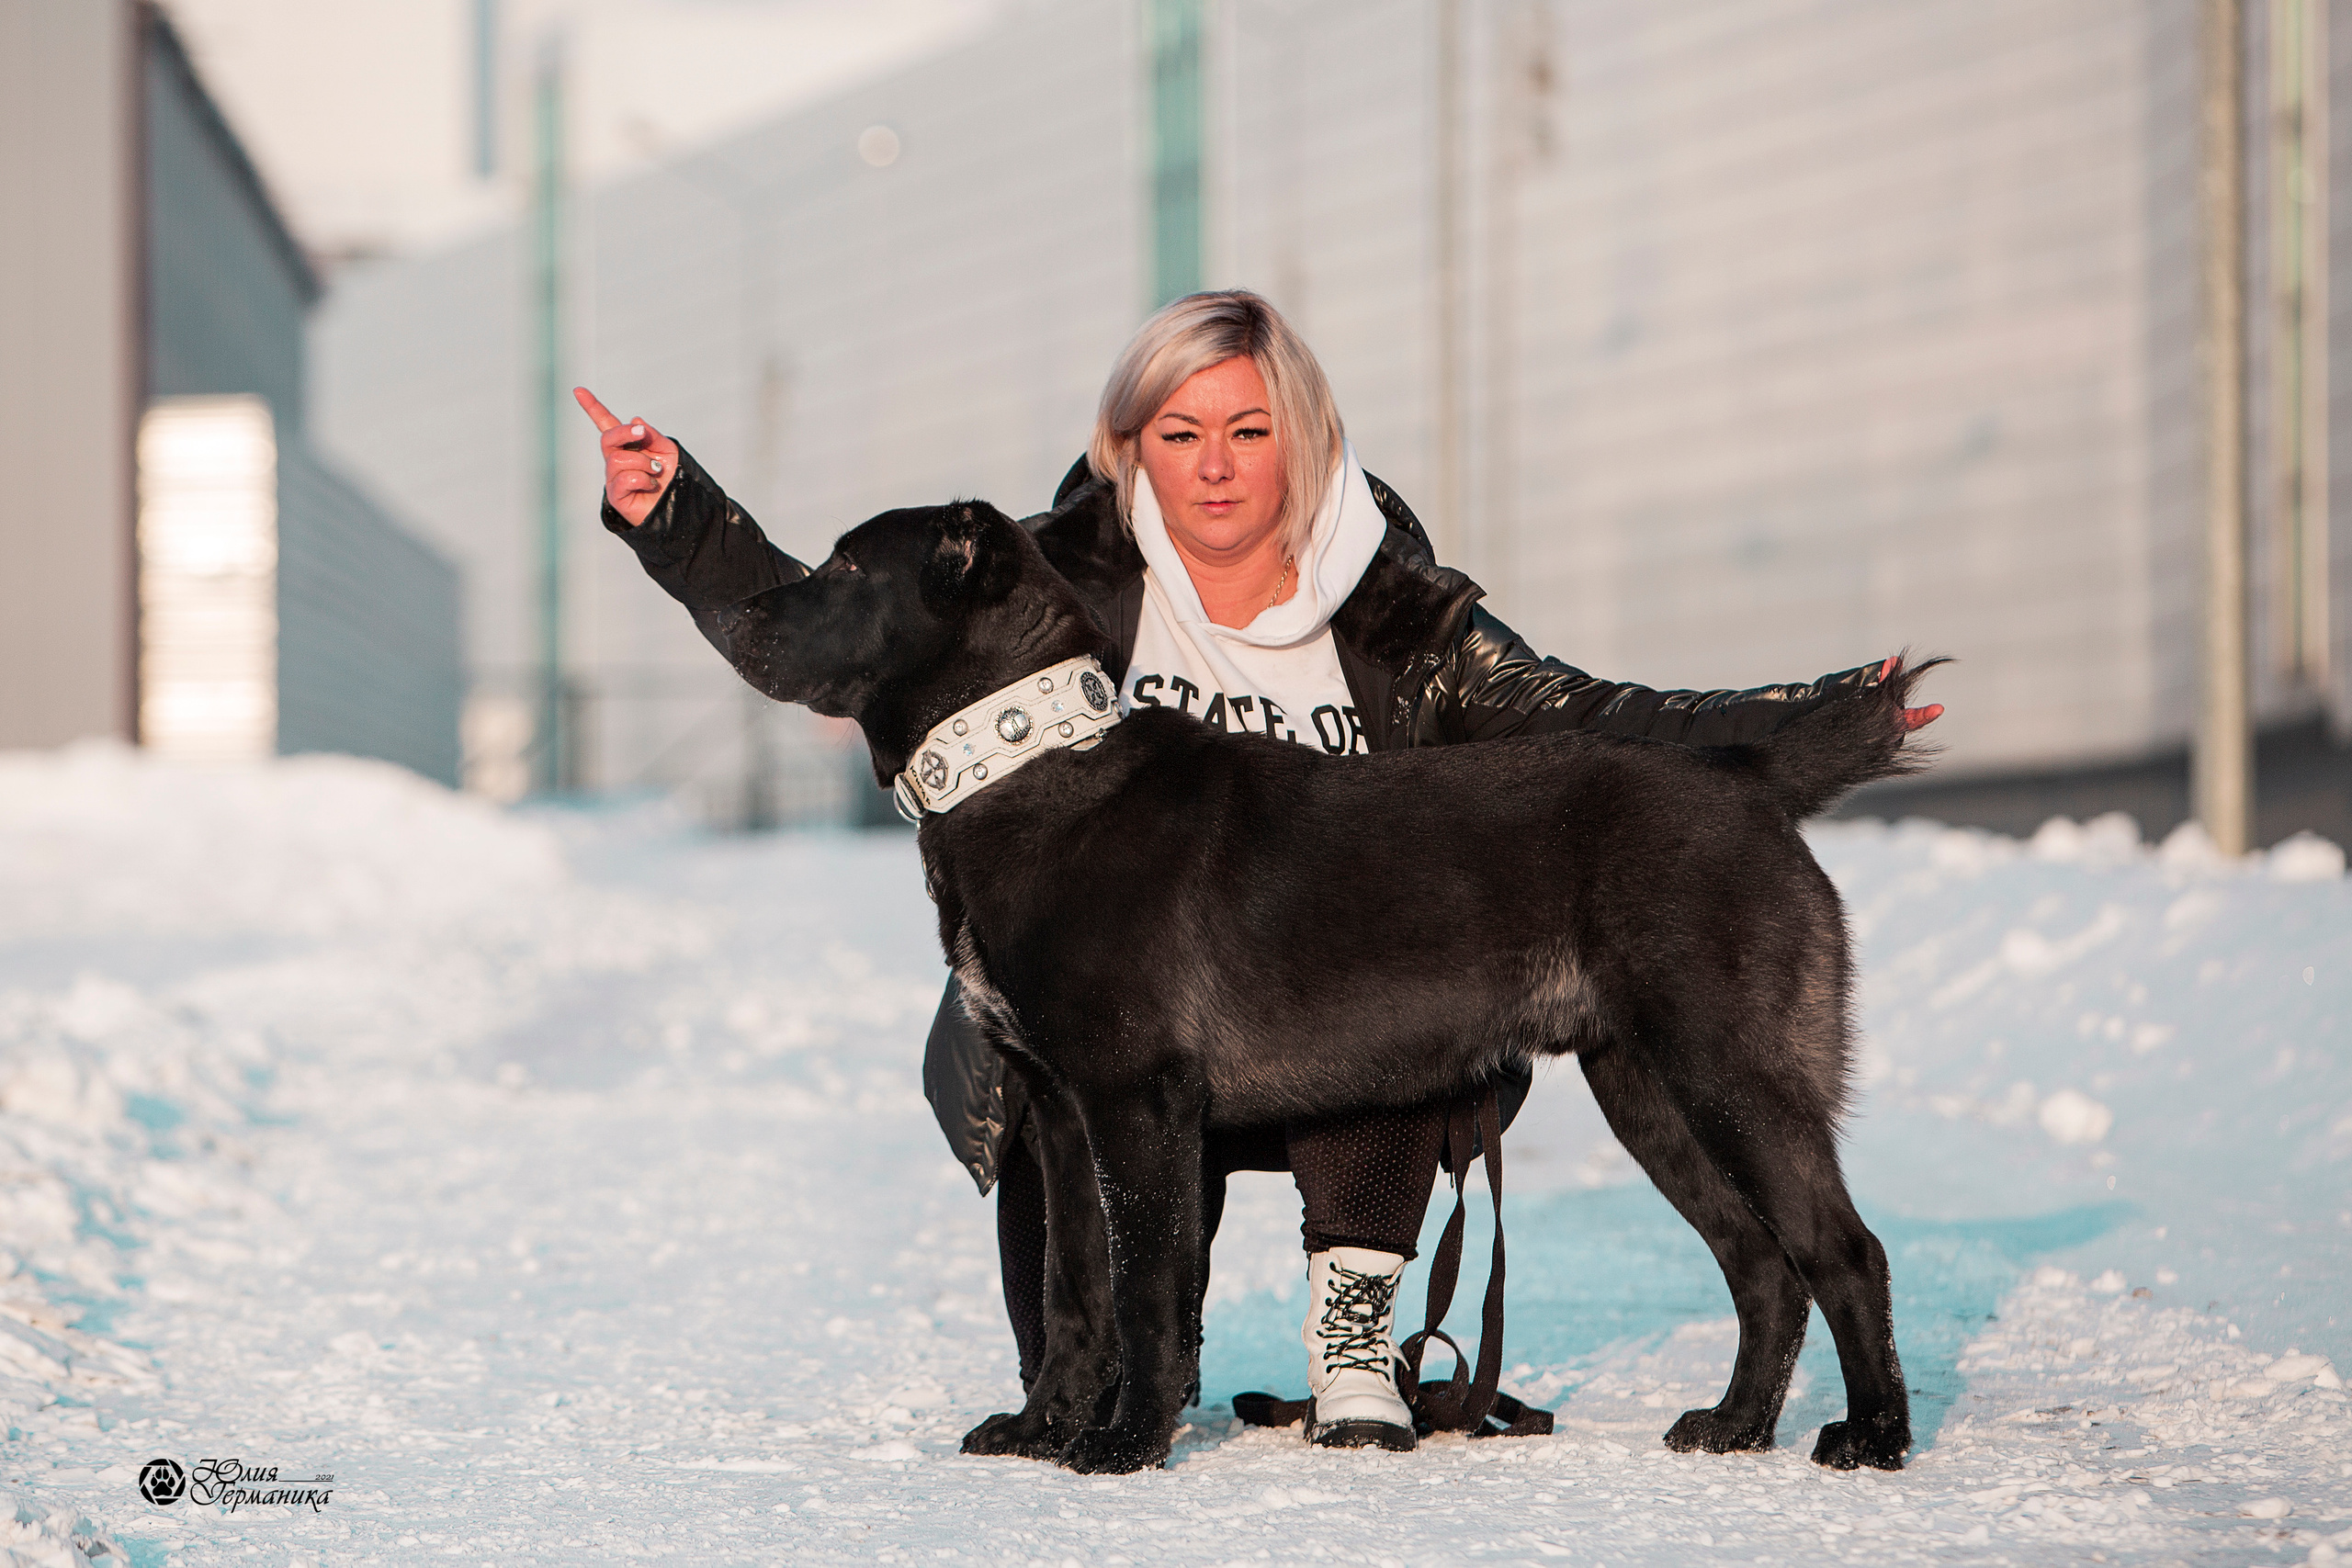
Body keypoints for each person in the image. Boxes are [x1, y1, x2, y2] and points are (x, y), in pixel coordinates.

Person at [577, 289, 1941, 1454]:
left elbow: (1584, 724)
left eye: (1248, 430)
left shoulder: (1394, 607)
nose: (1217, 466)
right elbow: (835, 623)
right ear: (1129, 450)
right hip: (1139, 1005)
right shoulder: (1047, 585)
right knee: (1108, 1069)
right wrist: (675, 514)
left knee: (1399, 999)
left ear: (1301, 437)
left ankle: (1412, 1332)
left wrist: (1810, 720)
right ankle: (1088, 1375)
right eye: (1180, 435)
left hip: (1359, 984)